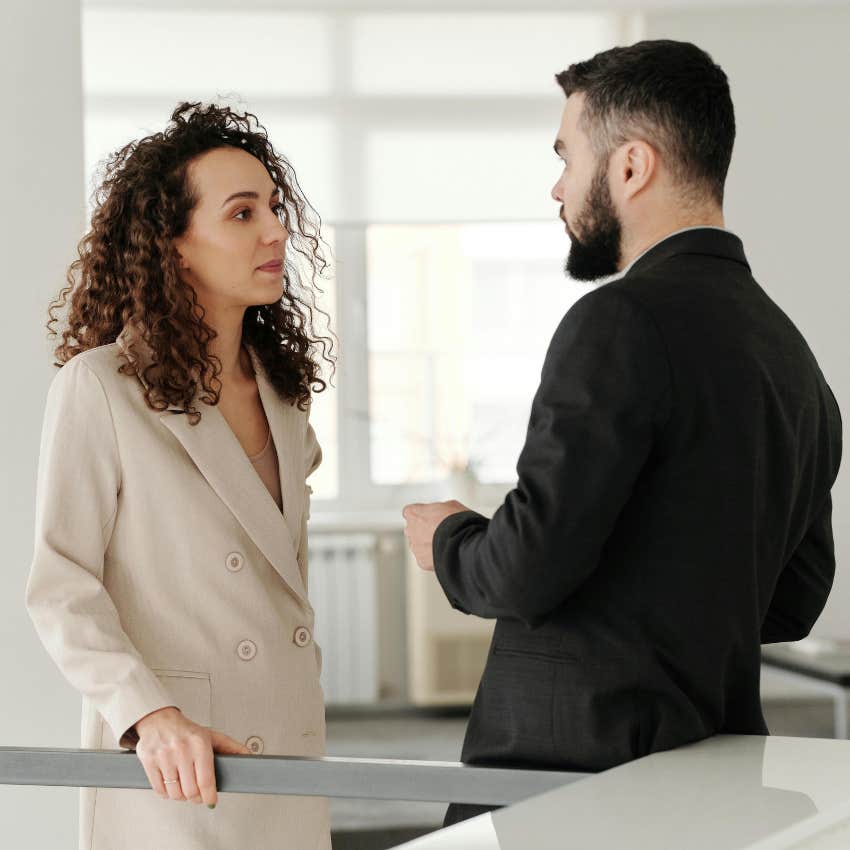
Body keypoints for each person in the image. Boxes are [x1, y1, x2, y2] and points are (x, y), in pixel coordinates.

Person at [402, 39, 843, 827]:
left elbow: (521, 572)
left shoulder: (617, 322)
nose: (558, 186)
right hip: (714, 781)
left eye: (568, 156)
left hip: (574, 791)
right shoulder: (793, 357)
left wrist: (446, 539)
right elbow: (793, 599)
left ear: (632, 166)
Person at [25, 101, 335, 850]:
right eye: (240, 213)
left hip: (290, 749)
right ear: (174, 243)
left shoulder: (283, 393)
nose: (275, 230)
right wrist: (149, 716)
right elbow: (61, 586)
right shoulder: (101, 387)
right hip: (180, 763)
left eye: (273, 206)